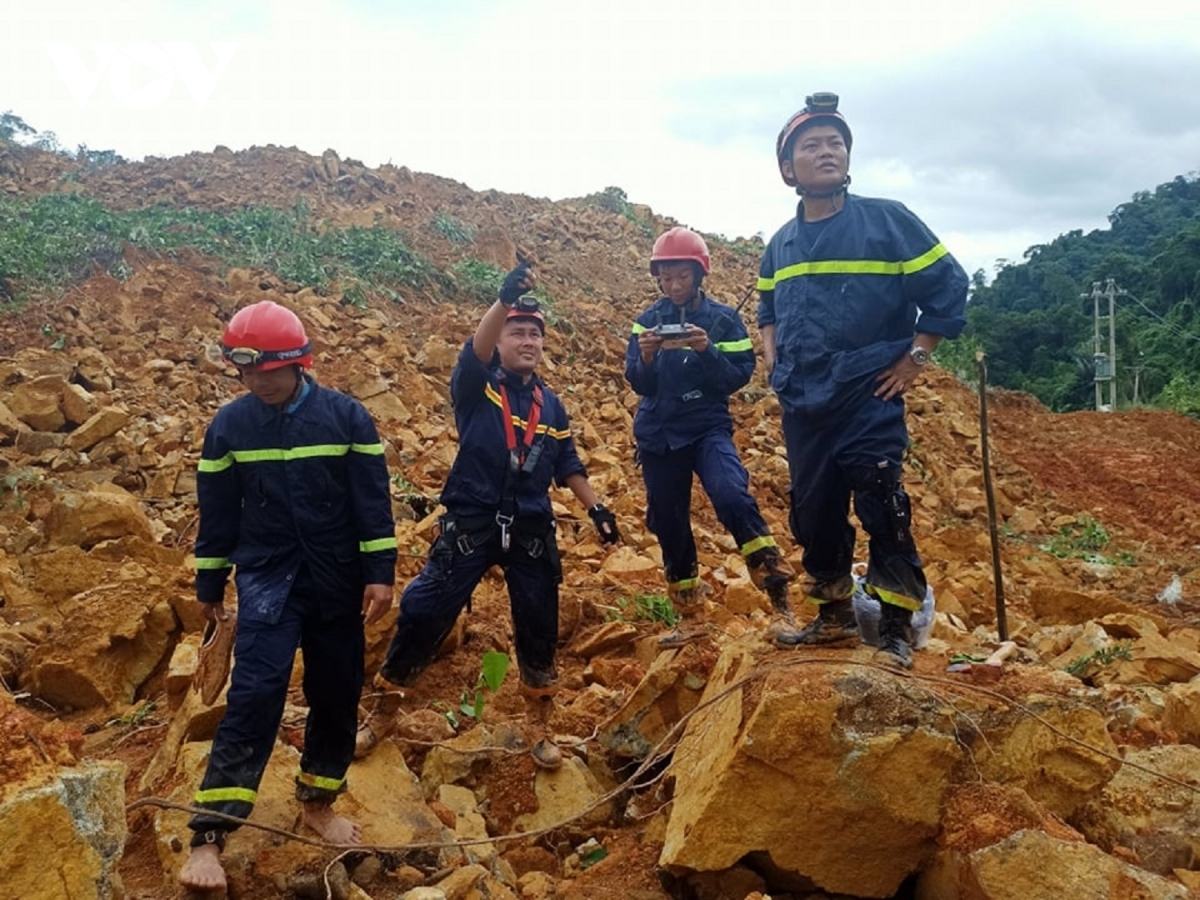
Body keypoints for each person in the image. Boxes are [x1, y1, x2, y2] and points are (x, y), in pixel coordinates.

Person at [355, 258, 620, 771]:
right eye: (516, 332)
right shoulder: (478, 387)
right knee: (426, 608)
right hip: (472, 517)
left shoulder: (552, 404)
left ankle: (539, 723)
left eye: (534, 335)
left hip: (530, 523)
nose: (527, 341)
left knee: (539, 620)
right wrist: (502, 301)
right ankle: (384, 711)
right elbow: (473, 353)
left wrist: (597, 508)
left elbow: (567, 461)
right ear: (500, 340)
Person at [179, 301, 398, 892]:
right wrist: (208, 584)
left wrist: (381, 571)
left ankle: (318, 802)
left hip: (337, 580)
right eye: (245, 373)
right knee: (254, 692)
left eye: (266, 371)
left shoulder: (346, 418)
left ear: (298, 362)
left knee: (336, 691)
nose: (256, 382)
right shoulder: (230, 426)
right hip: (268, 579)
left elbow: (372, 502)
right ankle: (209, 834)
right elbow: (218, 514)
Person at [757, 92, 967, 669]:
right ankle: (832, 618)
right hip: (803, 402)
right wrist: (773, 356)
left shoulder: (887, 222)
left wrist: (916, 360)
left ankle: (897, 627)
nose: (827, 152)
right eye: (811, 145)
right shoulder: (780, 244)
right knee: (814, 510)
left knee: (882, 504)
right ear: (787, 168)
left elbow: (949, 287)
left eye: (836, 143)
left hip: (868, 395)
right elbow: (768, 309)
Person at [625, 226, 797, 646]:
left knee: (731, 495)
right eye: (666, 278)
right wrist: (646, 357)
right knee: (668, 521)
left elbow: (737, 376)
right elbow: (638, 382)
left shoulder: (724, 321)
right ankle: (689, 615)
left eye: (682, 276)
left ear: (699, 274)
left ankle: (780, 599)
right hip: (659, 434)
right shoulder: (646, 322)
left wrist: (707, 351)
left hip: (705, 426)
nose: (674, 285)